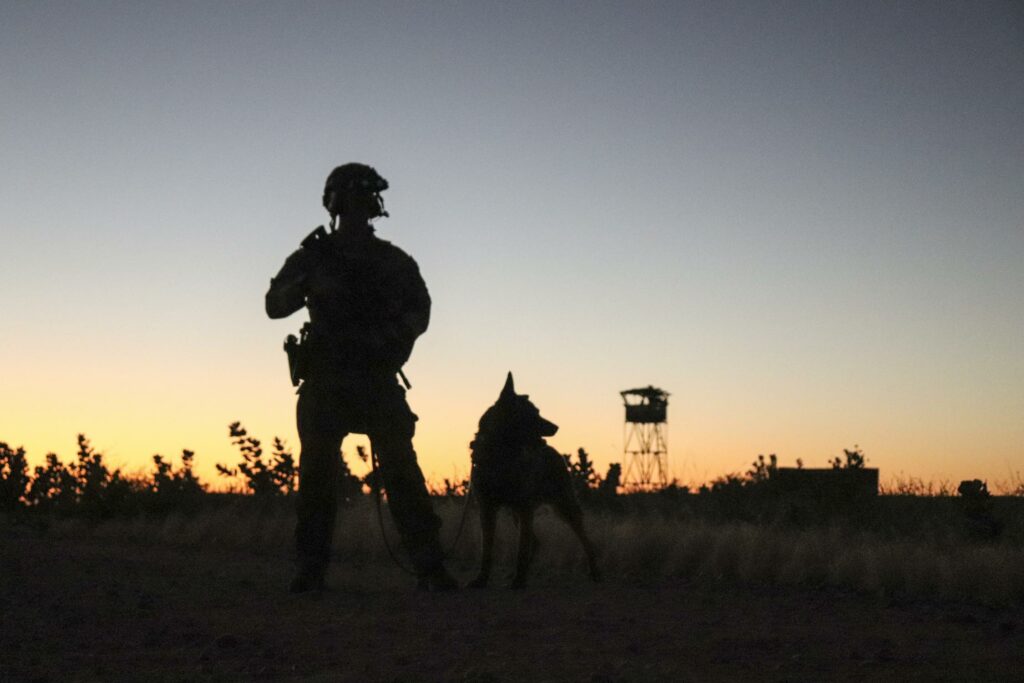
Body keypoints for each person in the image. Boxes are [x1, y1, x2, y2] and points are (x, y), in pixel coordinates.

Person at [266, 163, 456, 592]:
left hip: (370, 377)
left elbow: (419, 313)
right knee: (320, 475)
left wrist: (390, 339)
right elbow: (275, 305)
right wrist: (308, 284)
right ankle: (313, 570)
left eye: (359, 202)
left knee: (399, 472)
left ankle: (428, 566)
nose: (354, 211)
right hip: (330, 379)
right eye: (349, 202)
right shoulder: (318, 257)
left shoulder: (392, 261)